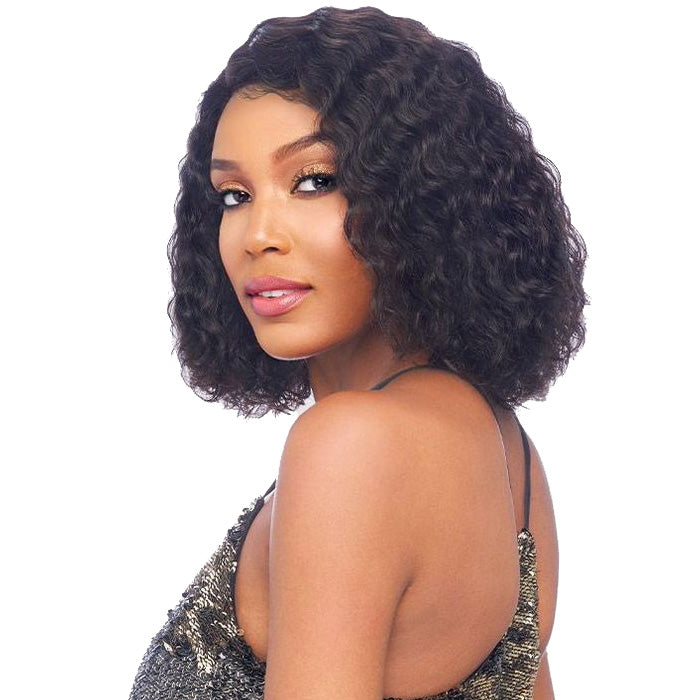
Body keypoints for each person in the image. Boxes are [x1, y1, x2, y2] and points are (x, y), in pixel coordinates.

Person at [128, 6, 587, 700]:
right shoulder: (506, 453)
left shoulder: (350, 446)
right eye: (234, 195)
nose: (259, 234)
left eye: (314, 180)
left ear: (422, 201)